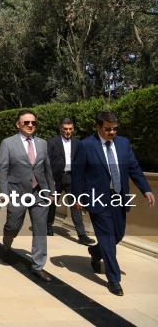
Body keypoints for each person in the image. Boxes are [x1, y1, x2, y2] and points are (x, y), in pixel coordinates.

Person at [72, 111, 155, 296]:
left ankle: (95, 252)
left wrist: (146, 190)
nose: (112, 132)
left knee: (118, 234)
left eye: (115, 128)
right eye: (108, 129)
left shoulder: (123, 143)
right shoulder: (86, 145)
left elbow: (134, 167)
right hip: (97, 198)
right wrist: (76, 197)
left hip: (118, 197)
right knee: (107, 237)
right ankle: (114, 279)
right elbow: (78, 174)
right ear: (98, 127)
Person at [0, 109, 56, 282]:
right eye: (26, 122)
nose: (31, 125)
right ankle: (6, 246)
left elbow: (47, 168)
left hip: (39, 192)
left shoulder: (42, 143)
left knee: (40, 229)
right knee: (13, 225)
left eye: (33, 122)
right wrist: (4, 193)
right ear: (18, 124)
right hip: (17, 193)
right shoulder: (8, 143)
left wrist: (51, 191)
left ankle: (37, 265)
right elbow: (3, 169)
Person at [47, 118, 95, 245]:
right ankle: (48, 225)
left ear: (72, 129)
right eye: (65, 129)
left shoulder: (78, 143)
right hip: (55, 178)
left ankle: (82, 235)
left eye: (70, 129)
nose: (68, 131)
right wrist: (49, 179)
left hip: (72, 178)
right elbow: (45, 163)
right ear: (60, 128)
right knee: (52, 204)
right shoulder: (52, 142)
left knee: (76, 206)